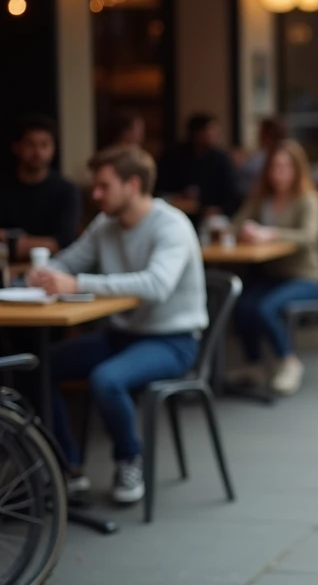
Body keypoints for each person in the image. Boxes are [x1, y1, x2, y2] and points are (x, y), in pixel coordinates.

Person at [27, 145, 207, 503]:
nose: (94, 195)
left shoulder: (171, 225)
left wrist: (78, 285)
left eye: (103, 186)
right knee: (37, 367)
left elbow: (157, 285)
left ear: (133, 185)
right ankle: (68, 467)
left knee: (106, 380)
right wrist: (45, 274)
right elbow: (70, 261)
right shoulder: (105, 224)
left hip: (173, 340)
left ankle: (129, 459)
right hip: (121, 335)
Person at [228, 139, 318, 395]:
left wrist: (270, 233)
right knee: (241, 305)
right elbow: (236, 223)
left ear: (297, 169)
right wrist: (245, 230)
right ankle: (256, 364)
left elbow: (308, 236)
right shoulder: (262, 199)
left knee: (265, 308)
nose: (278, 173)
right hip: (272, 274)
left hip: (305, 276)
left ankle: (288, 362)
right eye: (274, 167)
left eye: (284, 166)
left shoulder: (308, 199)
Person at [0, 114, 82, 259]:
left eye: (44, 145)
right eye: (30, 144)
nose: (37, 152)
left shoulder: (66, 191)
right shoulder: (4, 187)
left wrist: (10, 242)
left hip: (52, 269)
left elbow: (62, 243)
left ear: (53, 148)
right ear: (16, 147)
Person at [157, 112, 240, 222]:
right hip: (178, 214)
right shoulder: (174, 156)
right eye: (210, 130)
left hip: (212, 217)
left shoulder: (221, 159)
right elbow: (161, 189)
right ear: (197, 133)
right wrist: (180, 194)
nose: (215, 135)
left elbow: (232, 193)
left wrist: (219, 209)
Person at [235, 116, 289, 199]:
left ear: (267, 135)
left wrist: (238, 164)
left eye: (260, 132)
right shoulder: (258, 156)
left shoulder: (267, 157)